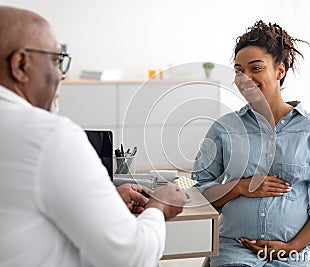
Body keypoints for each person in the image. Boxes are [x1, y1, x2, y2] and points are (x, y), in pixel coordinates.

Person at [0, 6, 186, 267]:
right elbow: (133, 257)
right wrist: (160, 206)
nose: (62, 74)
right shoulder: (50, 137)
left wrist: (105, 203)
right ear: (21, 64)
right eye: (56, 60)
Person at [192, 20, 310, 266]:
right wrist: (240, 187)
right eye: (239, 70)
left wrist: (291, 246)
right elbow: (197, 188)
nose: (245, 78)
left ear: (279, 71)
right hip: (235, 249)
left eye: (255, 68)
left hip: (298, 252)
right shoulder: (223, 129)